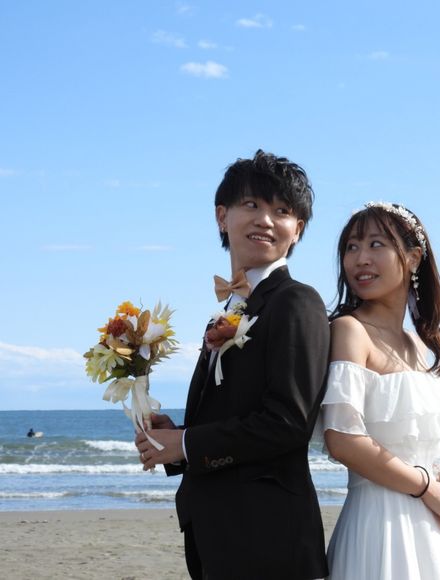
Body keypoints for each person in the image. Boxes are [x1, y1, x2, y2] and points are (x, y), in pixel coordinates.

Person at [135, 150, 330, 580]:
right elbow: (233, 414)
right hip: (217, 536)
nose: (265, 220)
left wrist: (187, 443)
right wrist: (172, 438)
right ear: (222, 216)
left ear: (297, 229)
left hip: (270, 538)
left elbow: (288, 422)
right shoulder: (227, 311)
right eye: (252, 205)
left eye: (282, 211)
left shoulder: (297, 301)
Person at [318, 202, 440, 579]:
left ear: (413, 258)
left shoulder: (417, 345)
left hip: (428, 526)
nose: (360, 258)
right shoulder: (350, 330)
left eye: (376, 244)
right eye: (352, 247)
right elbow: (342, 439)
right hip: (379, 522)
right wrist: (426, 488)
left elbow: (417, 443)